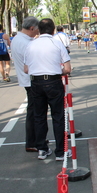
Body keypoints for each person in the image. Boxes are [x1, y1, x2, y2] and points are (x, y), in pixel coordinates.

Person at [24, 18, 72, 161]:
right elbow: (67, 68)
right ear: (53, 30)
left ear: (39, 29)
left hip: (36, 83)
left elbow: (26, 69)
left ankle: (42, 149)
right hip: (53, 82)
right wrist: (59, 69)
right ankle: (60, 151)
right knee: (58, 116)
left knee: (39, 116)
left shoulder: (30, 45)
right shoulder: (57, 43)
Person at [11, 16, 41, 152]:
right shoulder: (26, 43)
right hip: (31, 80)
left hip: (28, 79)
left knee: (35, 111)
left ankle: (36, 138)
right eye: (37, 30)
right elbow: (32, 63)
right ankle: (32, 141)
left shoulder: (18, 39)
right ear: (31, 28)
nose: (38, 32)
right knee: (34, 112)